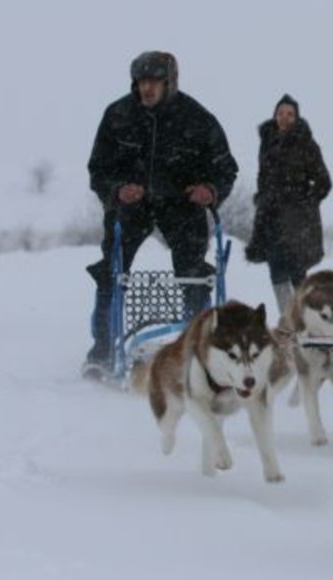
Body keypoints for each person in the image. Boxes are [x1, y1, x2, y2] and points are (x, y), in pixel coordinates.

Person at [83, 51, 239, 377]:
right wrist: (116, 191)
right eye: (141, 82)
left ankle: (199, 350)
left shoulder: (197, 119)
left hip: (181, 206)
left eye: (154, 82)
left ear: (170, 83)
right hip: (130, 206)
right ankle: (101, 353)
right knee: (110, 273)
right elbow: (98, 169)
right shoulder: (117, 115)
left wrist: (210, 191)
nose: (147, 89)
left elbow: (226, 168)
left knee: (195, 275)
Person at [245, 93, 332, 314]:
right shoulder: (267, 142)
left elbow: (324, 182)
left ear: (296, 118)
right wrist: (262, 197)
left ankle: (306, 320)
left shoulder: (307, 144)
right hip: (271, 217)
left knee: (297, 271)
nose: (284, 117)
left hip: (297, 221)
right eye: (280, 113)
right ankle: (288, 322)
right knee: (276, 271)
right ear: (274, 116)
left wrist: (305, 203)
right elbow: (263, 177)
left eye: (290, 114)